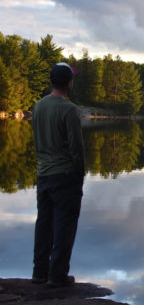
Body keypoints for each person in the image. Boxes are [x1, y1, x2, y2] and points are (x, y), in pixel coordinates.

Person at [31, 62, 85, 288]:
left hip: (43, 174)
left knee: (44, 224)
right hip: (65, 176)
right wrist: (80, 174)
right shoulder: (69, 109)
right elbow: (76, 148)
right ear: (69, 83)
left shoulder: (38, 106)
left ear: (52, 81)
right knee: (64, 226)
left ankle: (39, 273)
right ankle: (57, 275)